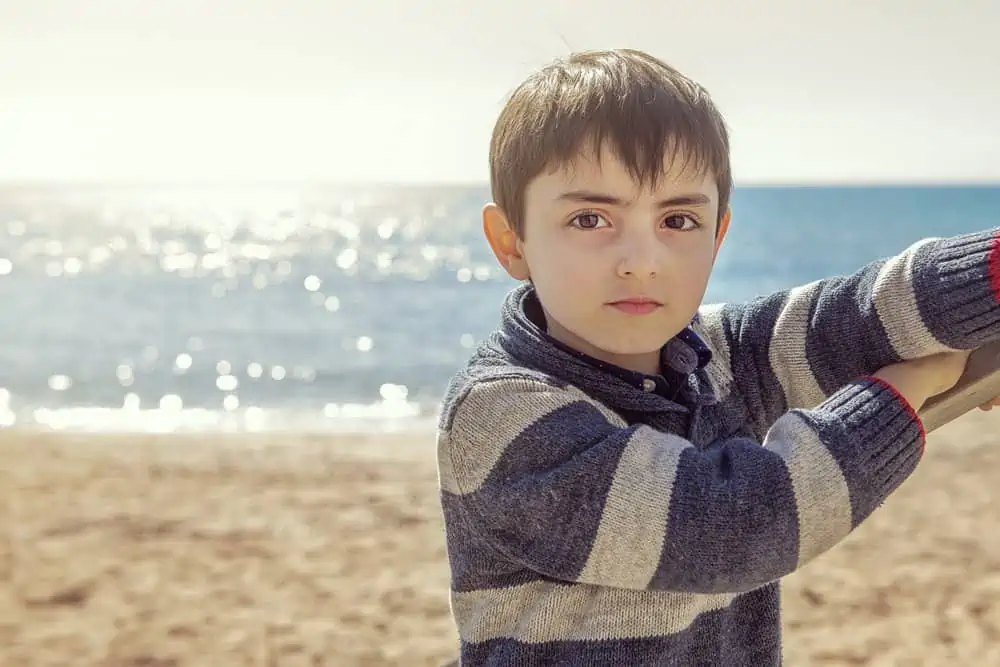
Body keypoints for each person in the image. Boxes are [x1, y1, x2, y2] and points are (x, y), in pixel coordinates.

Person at [435, 48, 1000, 666]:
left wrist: (989, 287)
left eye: (678, 219)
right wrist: (904, 393)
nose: (642, 259)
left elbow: (852, 317)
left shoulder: (716, 359)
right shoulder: (500, 416)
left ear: (717, 236)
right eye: (591, 218)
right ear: (510, 242)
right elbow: (730, 528)